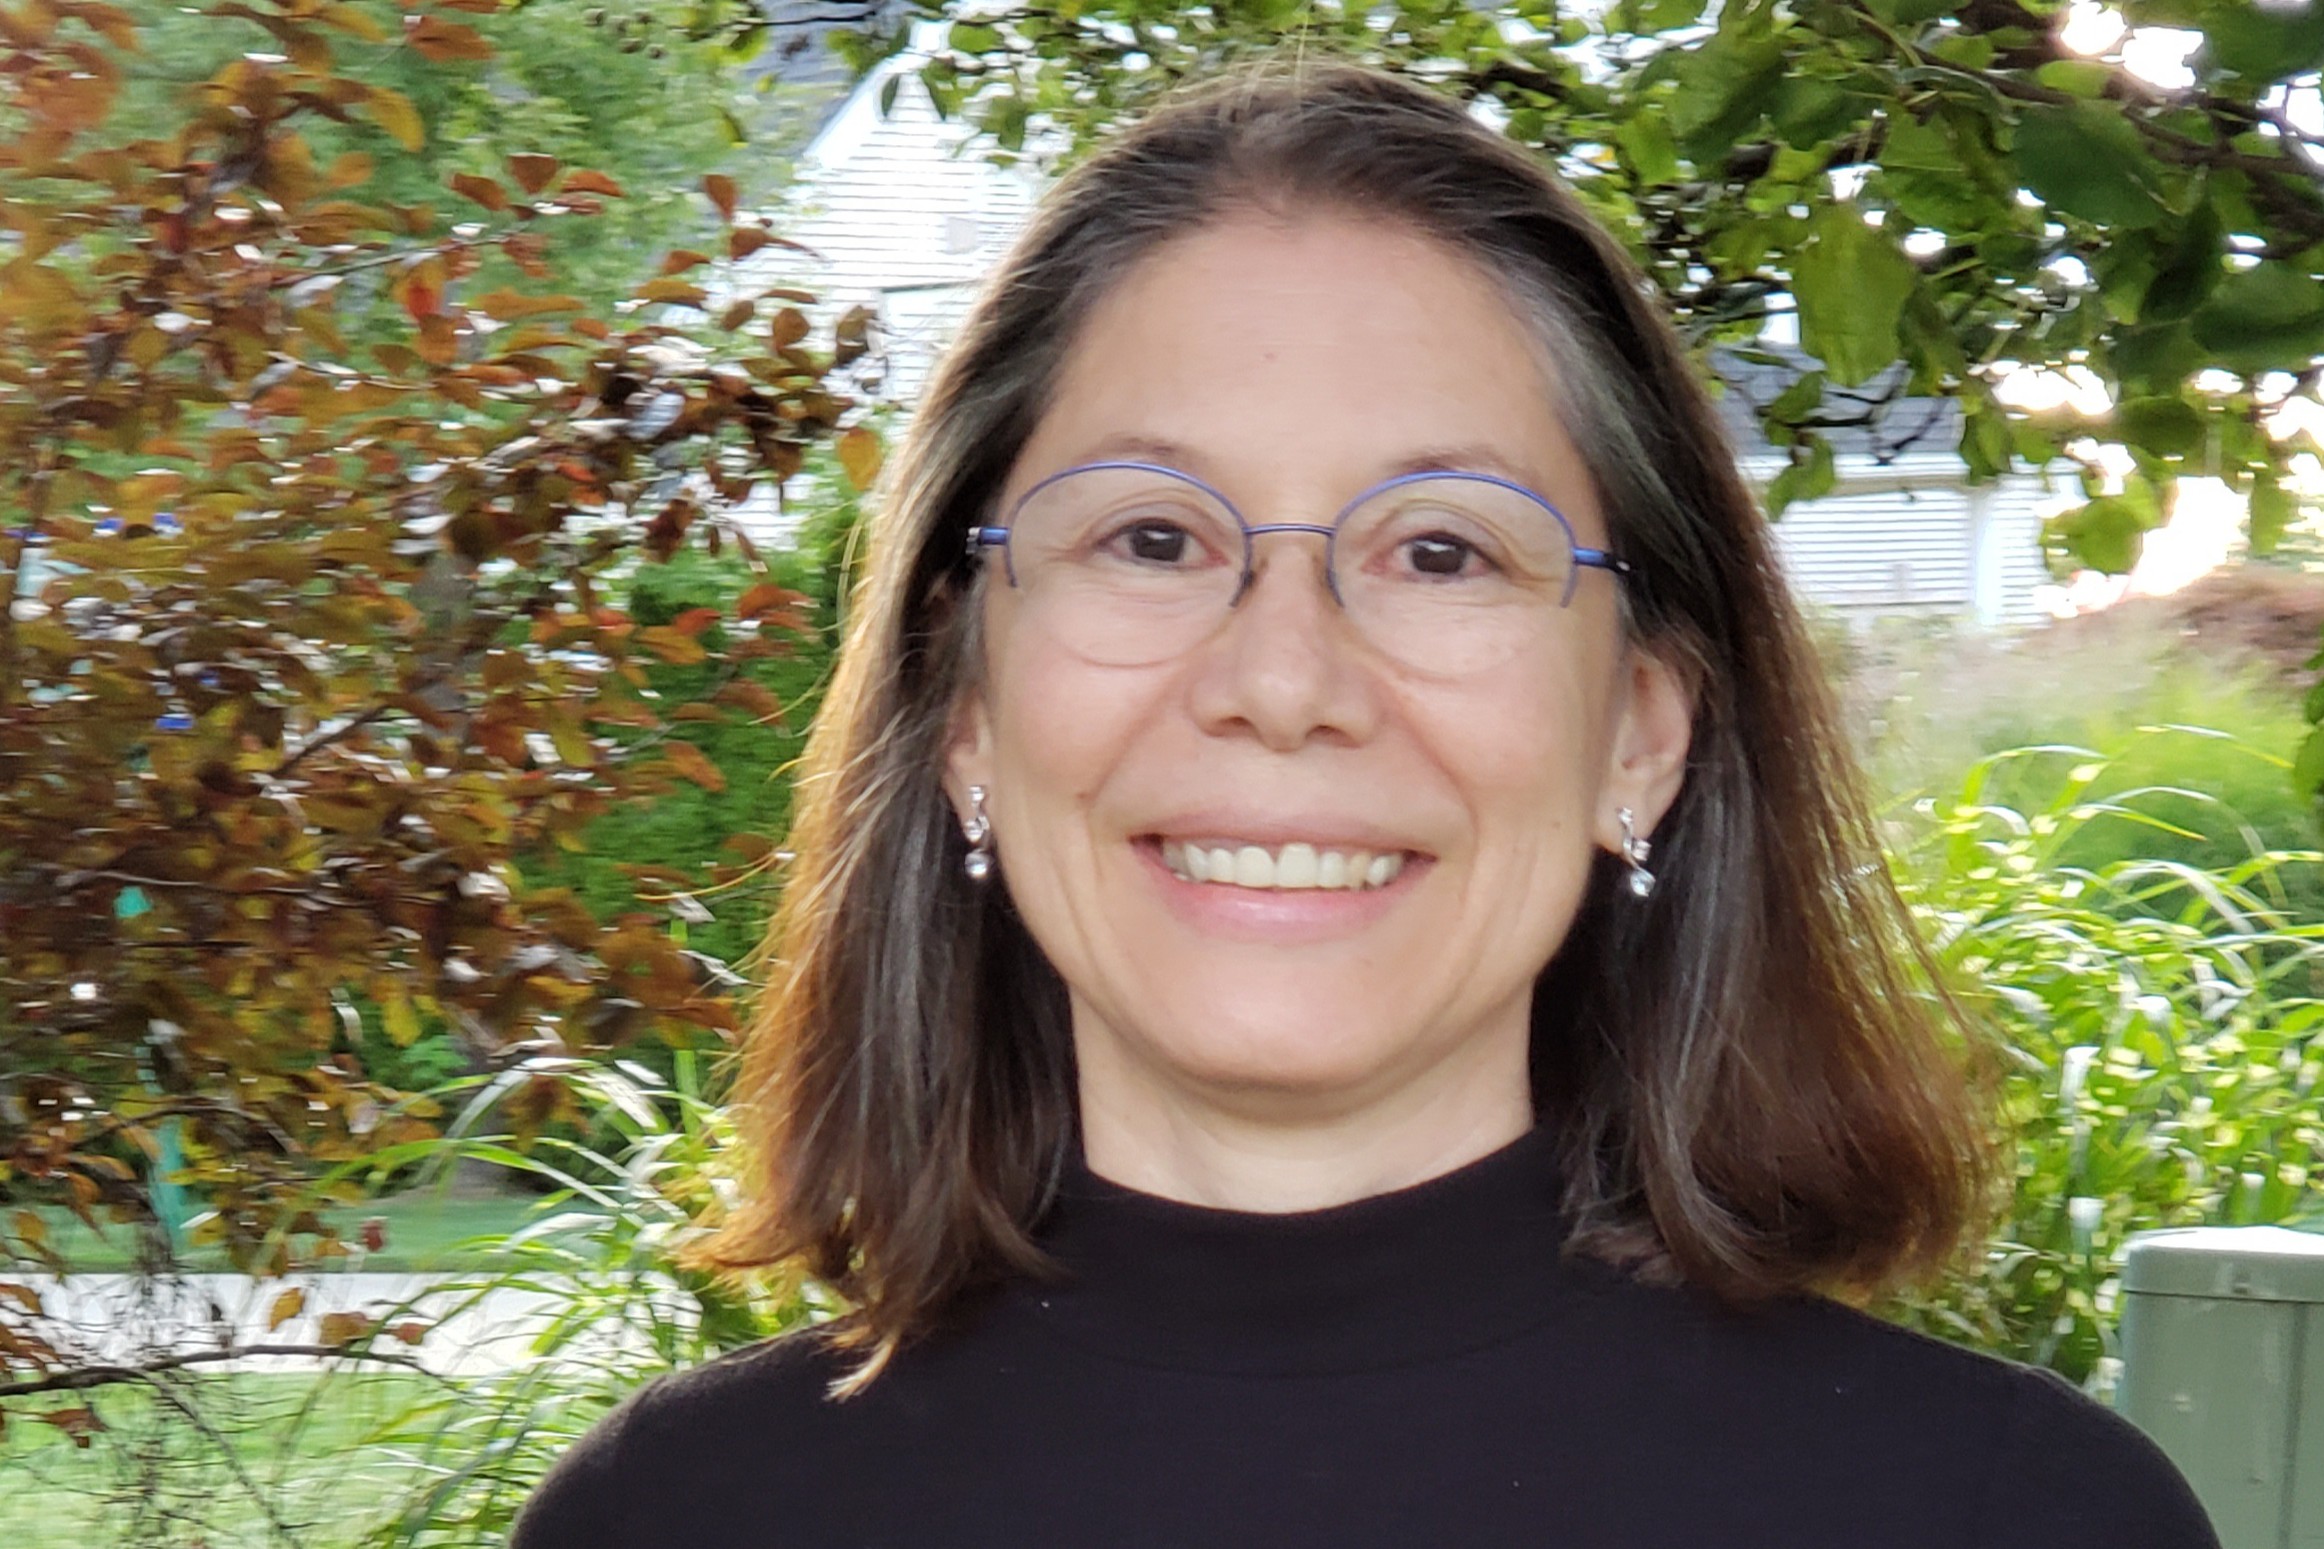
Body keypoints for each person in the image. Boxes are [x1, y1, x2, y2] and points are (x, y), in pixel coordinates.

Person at [511, 60, 2219, 1549]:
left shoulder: (2016, 1519)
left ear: (1640, 731)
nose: (1284, 677)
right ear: (964, 708)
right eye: (1153, 537)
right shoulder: (675, 1521)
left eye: (1442, 551)